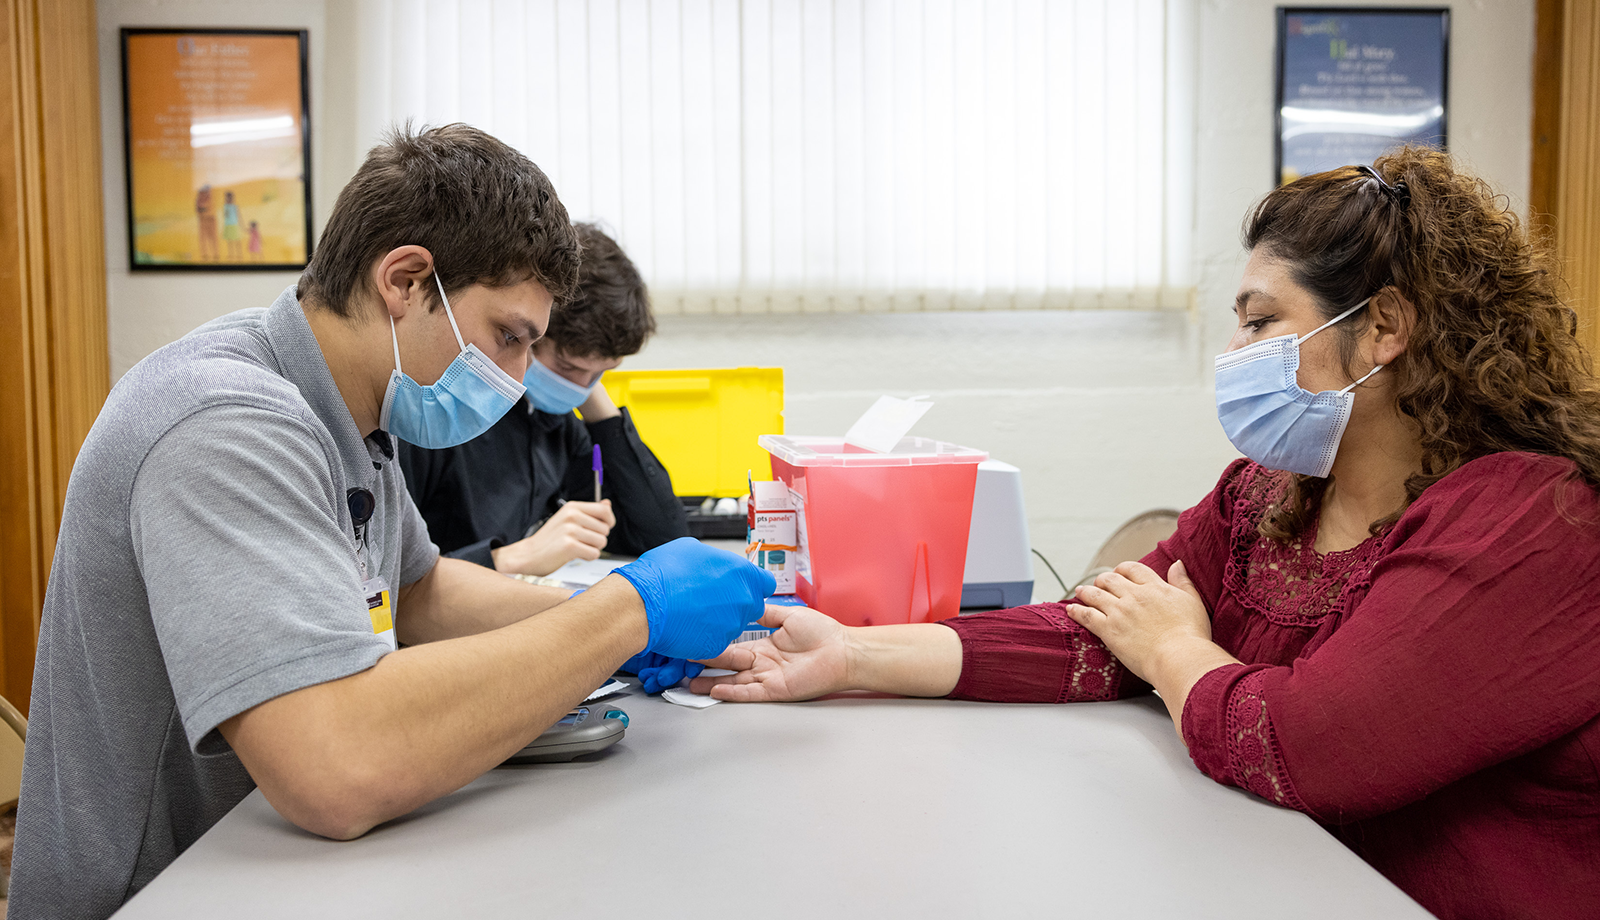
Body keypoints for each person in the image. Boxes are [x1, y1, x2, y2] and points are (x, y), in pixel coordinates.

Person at [689, 147, 1600, 920]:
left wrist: (1173, 650)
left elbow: (1308, 750)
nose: (1238, 358)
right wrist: (852, 654)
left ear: (1384, 330)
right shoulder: (1270, 495)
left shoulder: (1531, 518)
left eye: (1261, 324)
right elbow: (1101, 631)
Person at [10, 123, 773, 920]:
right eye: (507, 338)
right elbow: (333, 766)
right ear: (405, 281)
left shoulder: (350, 411)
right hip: (163, 893)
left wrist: (620, 622)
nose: (516, 380)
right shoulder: (225, 423)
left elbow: (421, 591)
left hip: (273, 867)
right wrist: (626, 612)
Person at [398, 222, 687, 578]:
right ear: (531, 333)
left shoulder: (558, 424)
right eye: (567, 366)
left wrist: (597, 406)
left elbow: (666, 539)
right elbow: (397, 579)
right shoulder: (447, 410)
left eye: (599, 373)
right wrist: (513, 558)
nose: (579, 385)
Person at [222, 189, 243, 260]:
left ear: (232, 198)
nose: (228, 199)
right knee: (229, 242)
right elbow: (225, 216)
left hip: (234, 225)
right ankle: (231, 254)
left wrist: (241, 225)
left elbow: (239, 216)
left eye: (229, 197)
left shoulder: (235, 206)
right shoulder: (225, 206)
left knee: (237, 241)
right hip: (228, 225)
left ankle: (239, 254)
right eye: (226, 197)